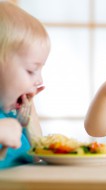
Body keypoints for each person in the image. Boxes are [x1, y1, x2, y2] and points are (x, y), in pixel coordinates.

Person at [0, 1, 50, 169]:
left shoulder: (12, 114)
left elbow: (37, 160)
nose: (39, 81)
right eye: (31, 71)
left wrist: (31, 123)